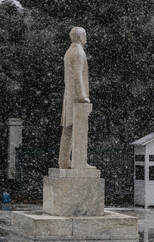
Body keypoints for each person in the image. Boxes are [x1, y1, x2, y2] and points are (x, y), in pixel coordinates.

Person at [59, 27, 92, 169]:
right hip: (76, 97)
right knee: (79, 129)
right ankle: (79, 162)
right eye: (84, 35)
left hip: (69, 95)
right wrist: (82, 96)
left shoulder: (69, 51)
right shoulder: (78, 52)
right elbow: (77, 75)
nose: (86, 38)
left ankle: (64, 160)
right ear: (79, 37)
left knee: (68, 129)